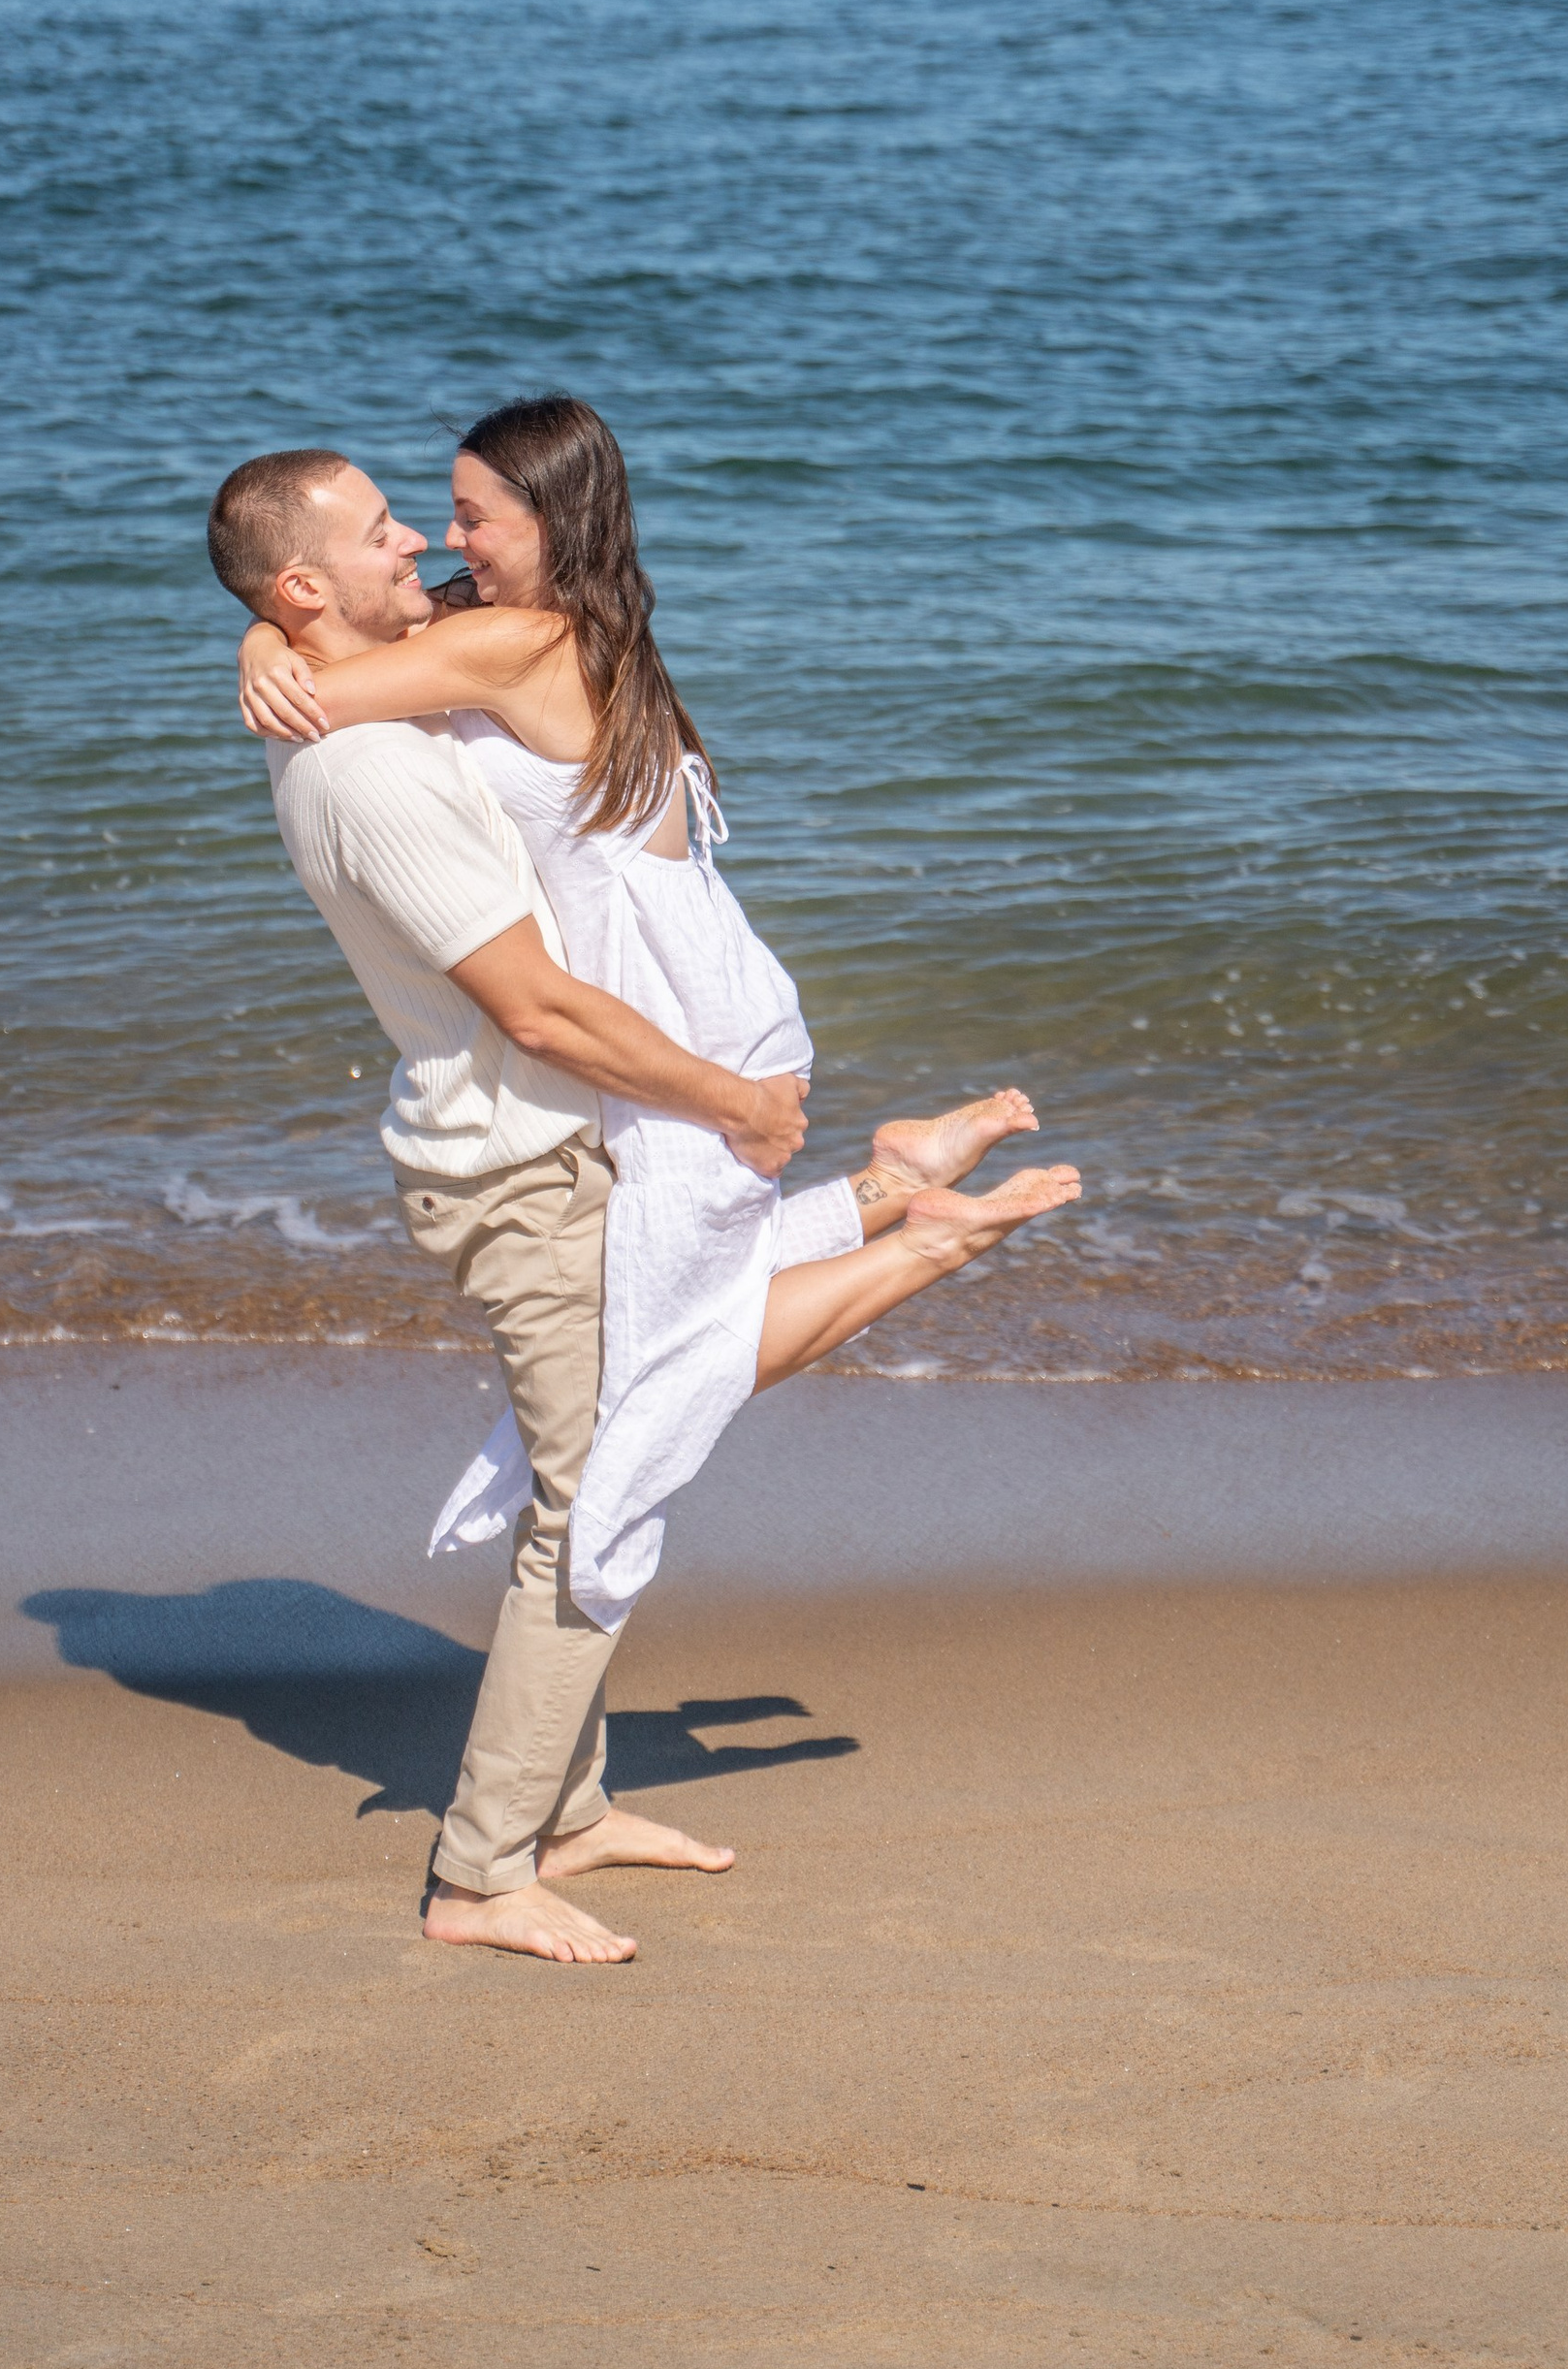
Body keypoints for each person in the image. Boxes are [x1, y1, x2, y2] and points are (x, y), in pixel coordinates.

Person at [208, 436, 1076, 1968]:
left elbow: (341, 640)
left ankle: (570, 1805)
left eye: (446, 516)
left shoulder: (421, 669)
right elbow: (537, 1009)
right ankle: (481, 1873)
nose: (423, 539)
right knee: (593, 1509)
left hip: (562, 1139)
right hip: (520, 1166)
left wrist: (268, 638)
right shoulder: (368, 763)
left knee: (647, 1406)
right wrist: (735, 1100)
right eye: (395, 528)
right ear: (307, 580)